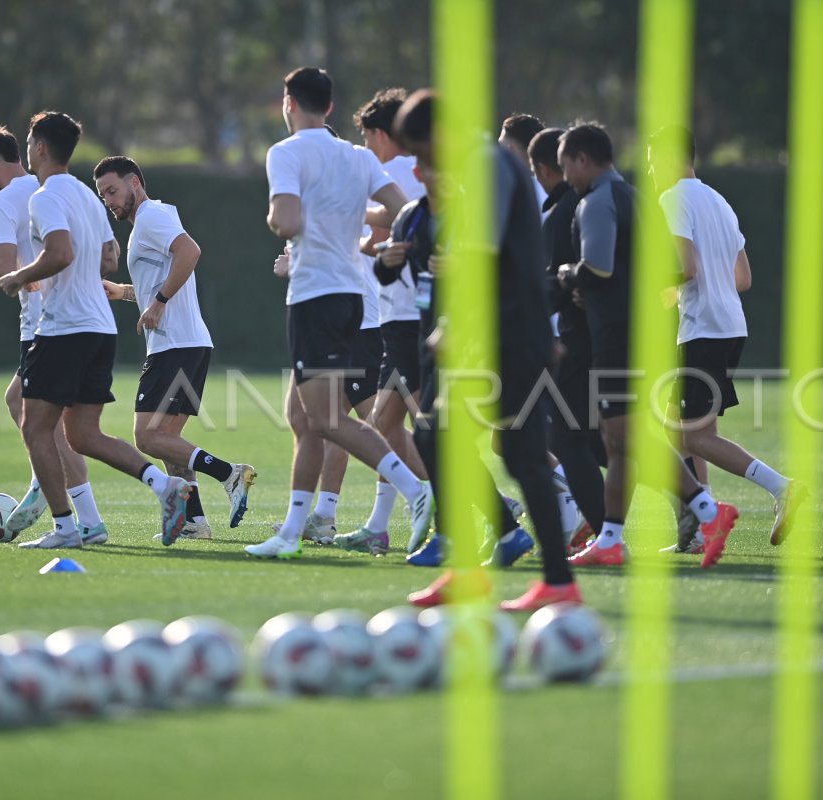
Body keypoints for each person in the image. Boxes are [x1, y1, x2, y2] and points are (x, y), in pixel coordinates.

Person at [390, 90, 581, 611]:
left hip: (511, 336)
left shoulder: (489, 165)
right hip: (494, 335)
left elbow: (482, 252)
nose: (423, 163)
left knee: (519, 457)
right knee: (434, 435)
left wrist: (456, 324)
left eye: (423, 150)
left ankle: (559, 583)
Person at [247, 66, 432, 559]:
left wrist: (282, 216)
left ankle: (418, 492)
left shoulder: (285, 153)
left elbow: (283, 220)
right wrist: (353, 220)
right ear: (329, 107)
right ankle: (293, 532)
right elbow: (400, 210)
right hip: (356, 299)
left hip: (315, 295)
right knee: (304, 419)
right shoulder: (355, 155)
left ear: (289, 103)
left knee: (327, 420)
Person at [0, 110, 190, 549]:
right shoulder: (87, 197)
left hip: (64, 327)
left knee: (34, 428)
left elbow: (61, 252)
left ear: (40, 148)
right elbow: (108, 258)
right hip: (101, 329)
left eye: (29, 143)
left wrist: (21, 275)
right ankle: (166, 487)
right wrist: (71, 268)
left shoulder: (44, 197)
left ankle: (66, 528)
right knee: (83, 435)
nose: (28, 151)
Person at [555, 123, 720, 567]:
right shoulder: (636, 198)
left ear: (583, 160)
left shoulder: (597, 202)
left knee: (627, 434)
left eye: (565, 165)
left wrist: (568, 276)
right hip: (644, 332)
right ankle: (610, 539)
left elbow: (599, 268)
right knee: (617, 440)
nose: (564, 176)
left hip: (616, 337)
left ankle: (708, 510)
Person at [647, 125, 803, 567]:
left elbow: (686, 266)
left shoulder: (673, 198)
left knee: (691, 436)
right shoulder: (719, 200)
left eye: (651, 160)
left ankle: (781, 488)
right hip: (730, 324)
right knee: (684, 433)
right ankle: (699, 526)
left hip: (703, 330)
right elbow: (744, 278)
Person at [0, 127, 105, 544]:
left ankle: (60, 502)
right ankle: (79, 512)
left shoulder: (0, 202)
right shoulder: (53, 185)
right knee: (43, 417)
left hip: (44, 324)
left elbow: (1, 269)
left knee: (39, 423)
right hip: (77, 320)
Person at [93, 155, 257, 540]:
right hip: (186, 345)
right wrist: (127, 293)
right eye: (102, 196)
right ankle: (193, 521)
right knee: (170, 444)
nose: (109, 201)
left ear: (135, 182)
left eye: (112, 191)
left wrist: (159, 300)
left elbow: (191, 252)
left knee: (147, 438)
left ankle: (229, 474)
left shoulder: (151, 216)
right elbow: (163, 281)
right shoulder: (148, 223)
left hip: (176, 347)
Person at [322, 87, 433, 553]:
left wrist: (344, 220)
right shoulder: (417, 169)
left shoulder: (397, 170)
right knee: (388, 426)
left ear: (383, 133)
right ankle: (380, 524)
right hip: (400, 312)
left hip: (408, 313)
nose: (368, 149)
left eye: (369, 138)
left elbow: (387, 235)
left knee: (428, 429)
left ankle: (495, 510)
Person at [528, 126, 605, 550]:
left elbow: (557, 283)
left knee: (567, 437)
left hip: (579, 341)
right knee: (603, 438)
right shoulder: (603, 200)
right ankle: (695, 501)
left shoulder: (567, 211)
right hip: (596, 336)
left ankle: (603, 533)